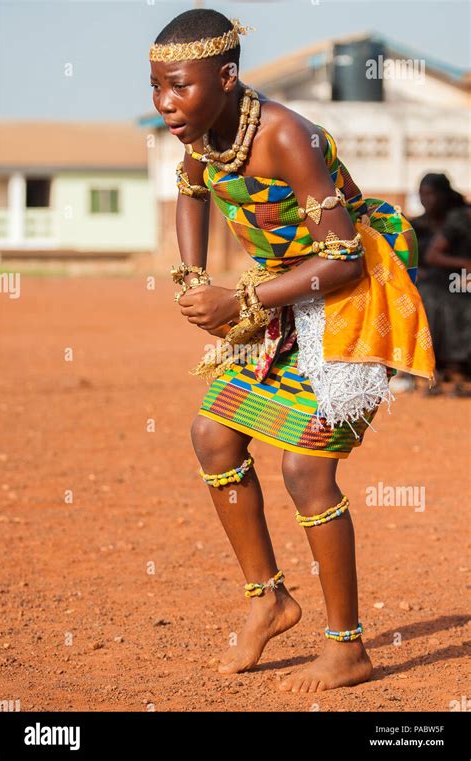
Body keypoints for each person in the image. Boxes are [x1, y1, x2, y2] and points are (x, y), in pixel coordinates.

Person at [150, 9, 435, 693]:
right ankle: (268, 598)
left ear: (227, 76)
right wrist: (192, 277)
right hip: (285, 296)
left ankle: (347, 647)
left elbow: (342, 260)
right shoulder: (202, 131)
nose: (166, 104)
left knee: (307, 468)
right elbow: (190, 191)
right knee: (212, 435)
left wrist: (243, 304)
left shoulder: (286, 136)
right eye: (156, 88)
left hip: (353, 297)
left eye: (179, 87)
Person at [411, 174, 470, 395]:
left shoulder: (460, 217)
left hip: (458, 282)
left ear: (444, 195)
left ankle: (457, 369)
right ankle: (431, 367)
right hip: (435, 283)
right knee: (430, 298)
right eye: (423, 194)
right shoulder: (416, 225)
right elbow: (430, 257)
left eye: (432, 194)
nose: (428, 200)